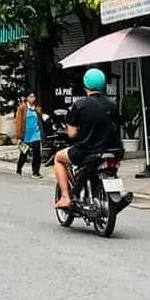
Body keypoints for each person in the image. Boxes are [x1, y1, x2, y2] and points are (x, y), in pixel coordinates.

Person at [52, 68, 120, 209]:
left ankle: (65, 197)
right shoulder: (112, 105)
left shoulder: (80, 105)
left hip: (86, 151)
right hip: (112, 150)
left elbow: (71, 134)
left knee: (58, 158)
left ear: (85, 85)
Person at [14, 94, 44, 175]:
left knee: (37, 154)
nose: (32, 99)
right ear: (27, 98)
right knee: (24, 154)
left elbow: (41, 119)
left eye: (34, 97)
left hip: (36, 134)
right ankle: (19, 169)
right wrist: (19, 137)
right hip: (26, 135)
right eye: (30, 97)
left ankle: (36, 172)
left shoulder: (37, 108)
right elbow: (18, 123)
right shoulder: (22, 108)